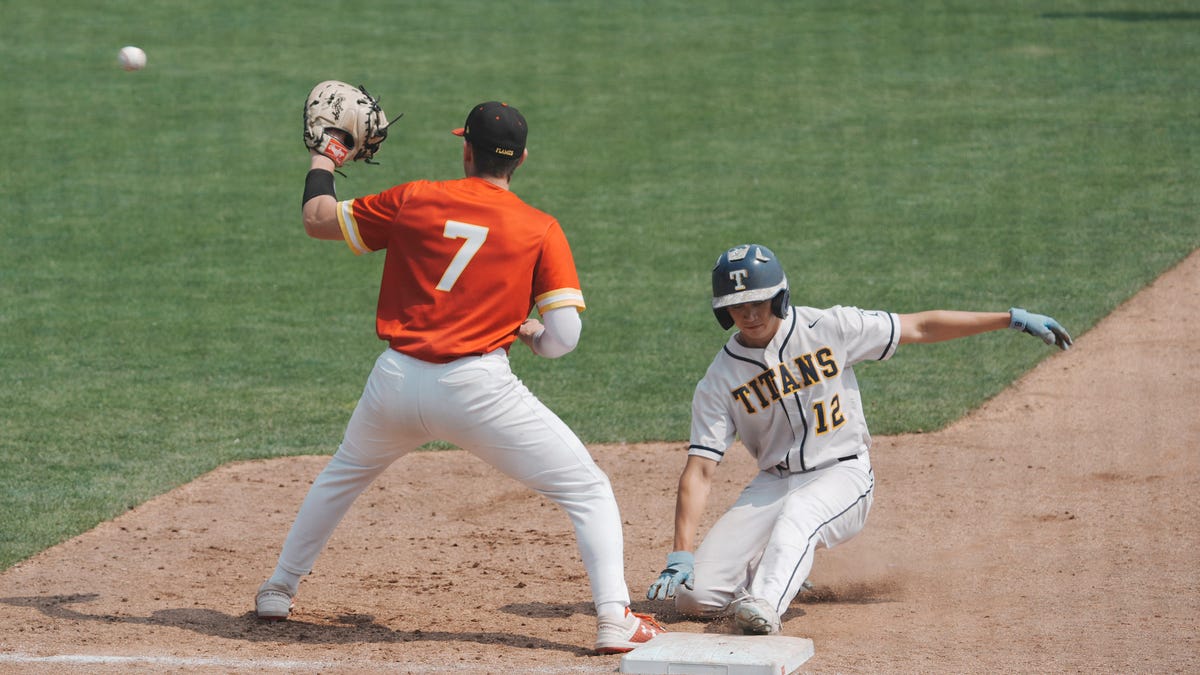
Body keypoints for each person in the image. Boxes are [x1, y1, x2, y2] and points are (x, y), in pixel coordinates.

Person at [255, 101, 665, 654]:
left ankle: (279, 589)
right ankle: (615, 618)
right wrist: (532, 336)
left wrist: (324, 157)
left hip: (395, 383)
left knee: (344, 474)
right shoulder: (539, 228)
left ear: (466, 150)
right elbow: (564, 339)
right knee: (587, 489)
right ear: (522, 159)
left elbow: (317, 219)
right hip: (478, 392)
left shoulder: (414, 198)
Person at [645, 243, 1072, 635]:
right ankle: (779, 565)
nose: (749, 314)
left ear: (779, 297)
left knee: (800, 514)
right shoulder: (720, 378)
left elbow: (920, 326)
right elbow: (699, 471)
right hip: (772, 483)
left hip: (842, 473)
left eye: (758, 302)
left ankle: (766, 604)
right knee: (695, 597)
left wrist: (1009, 319)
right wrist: (681, 553)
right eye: (737, 306)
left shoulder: (830, 327)